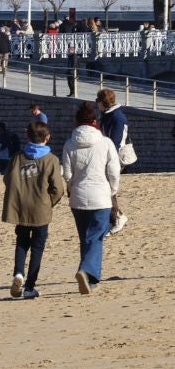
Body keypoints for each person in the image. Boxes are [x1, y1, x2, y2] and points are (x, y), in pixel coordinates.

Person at [62, 101, 121, 294]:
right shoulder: (106, 143)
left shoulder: (70, 143)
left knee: (85, 238)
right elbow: (114, 171)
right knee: (96, 237)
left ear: (77, 122)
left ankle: (90, 280)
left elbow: (67, 173)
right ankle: (86, 271)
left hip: (78, 197)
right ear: (95, 121)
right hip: (101, 196)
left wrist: (72, 187)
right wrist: (113, 190)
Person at [2, 121, 65, 299]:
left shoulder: (17, 157)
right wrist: (48, 202)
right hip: (41, 209)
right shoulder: (51, 159)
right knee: (37, 247)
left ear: (28, 136)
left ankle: (18, 273)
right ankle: (29, 287)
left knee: (22, 242)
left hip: (21, 207)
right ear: (47, 137)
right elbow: (58, 189)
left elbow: (7, 179)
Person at [96, 87, 131, 233]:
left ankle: (118, 217)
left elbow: (115, 142)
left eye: (97, 100)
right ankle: (115, 218)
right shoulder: (107, 115)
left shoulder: (117, 117)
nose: (96, 103)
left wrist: (105, 159)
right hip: (107, 156)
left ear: (103, 102)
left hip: (114, 158)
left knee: (108, 189)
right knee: (106, 189)